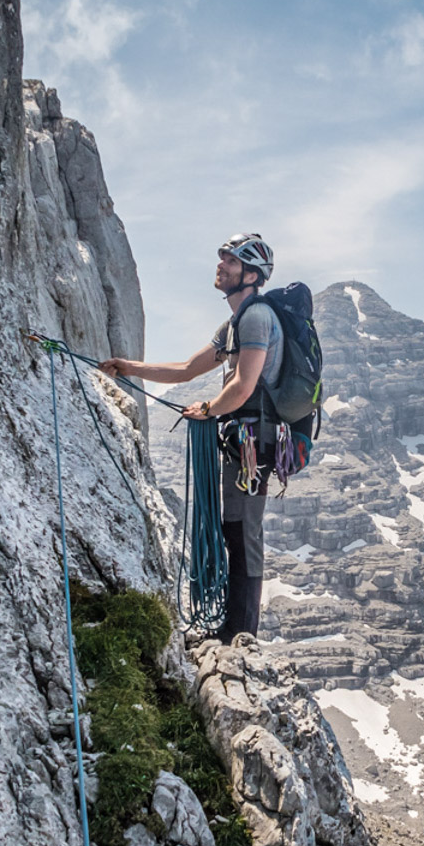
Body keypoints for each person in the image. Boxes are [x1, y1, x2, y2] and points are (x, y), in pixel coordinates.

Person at [101, 233, 282, 642]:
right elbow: (186, 369)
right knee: (233, 526)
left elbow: (243, 386)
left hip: (256, 441)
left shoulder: (256, 318)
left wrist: (206, 409)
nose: (221, 266)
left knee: (242, 529)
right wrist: (128, 367)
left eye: (231, 262)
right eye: (222, 259)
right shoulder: (236, 323)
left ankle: (240, 632)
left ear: (251, 275)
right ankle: (233, 626)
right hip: (243, 438)